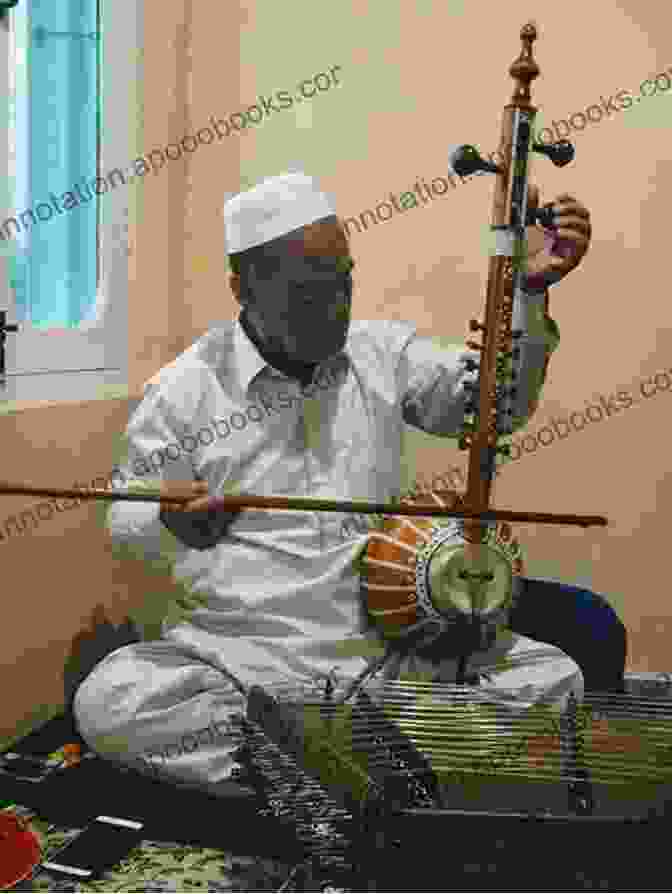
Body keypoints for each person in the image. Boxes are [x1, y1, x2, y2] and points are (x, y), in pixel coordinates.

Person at [73, 170, 625, 796]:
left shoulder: (381, 355)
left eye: (345, 283)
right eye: (310, 293)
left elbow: (496, 409)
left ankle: (313, 769)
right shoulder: (183, 393)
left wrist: (527, 296)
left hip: (386, 658)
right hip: (239, 664)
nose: (336, 309)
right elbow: (127, 527)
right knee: (113, 702)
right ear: (244, 286)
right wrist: (166, 520)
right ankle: (354, 766)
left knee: (555, 679)